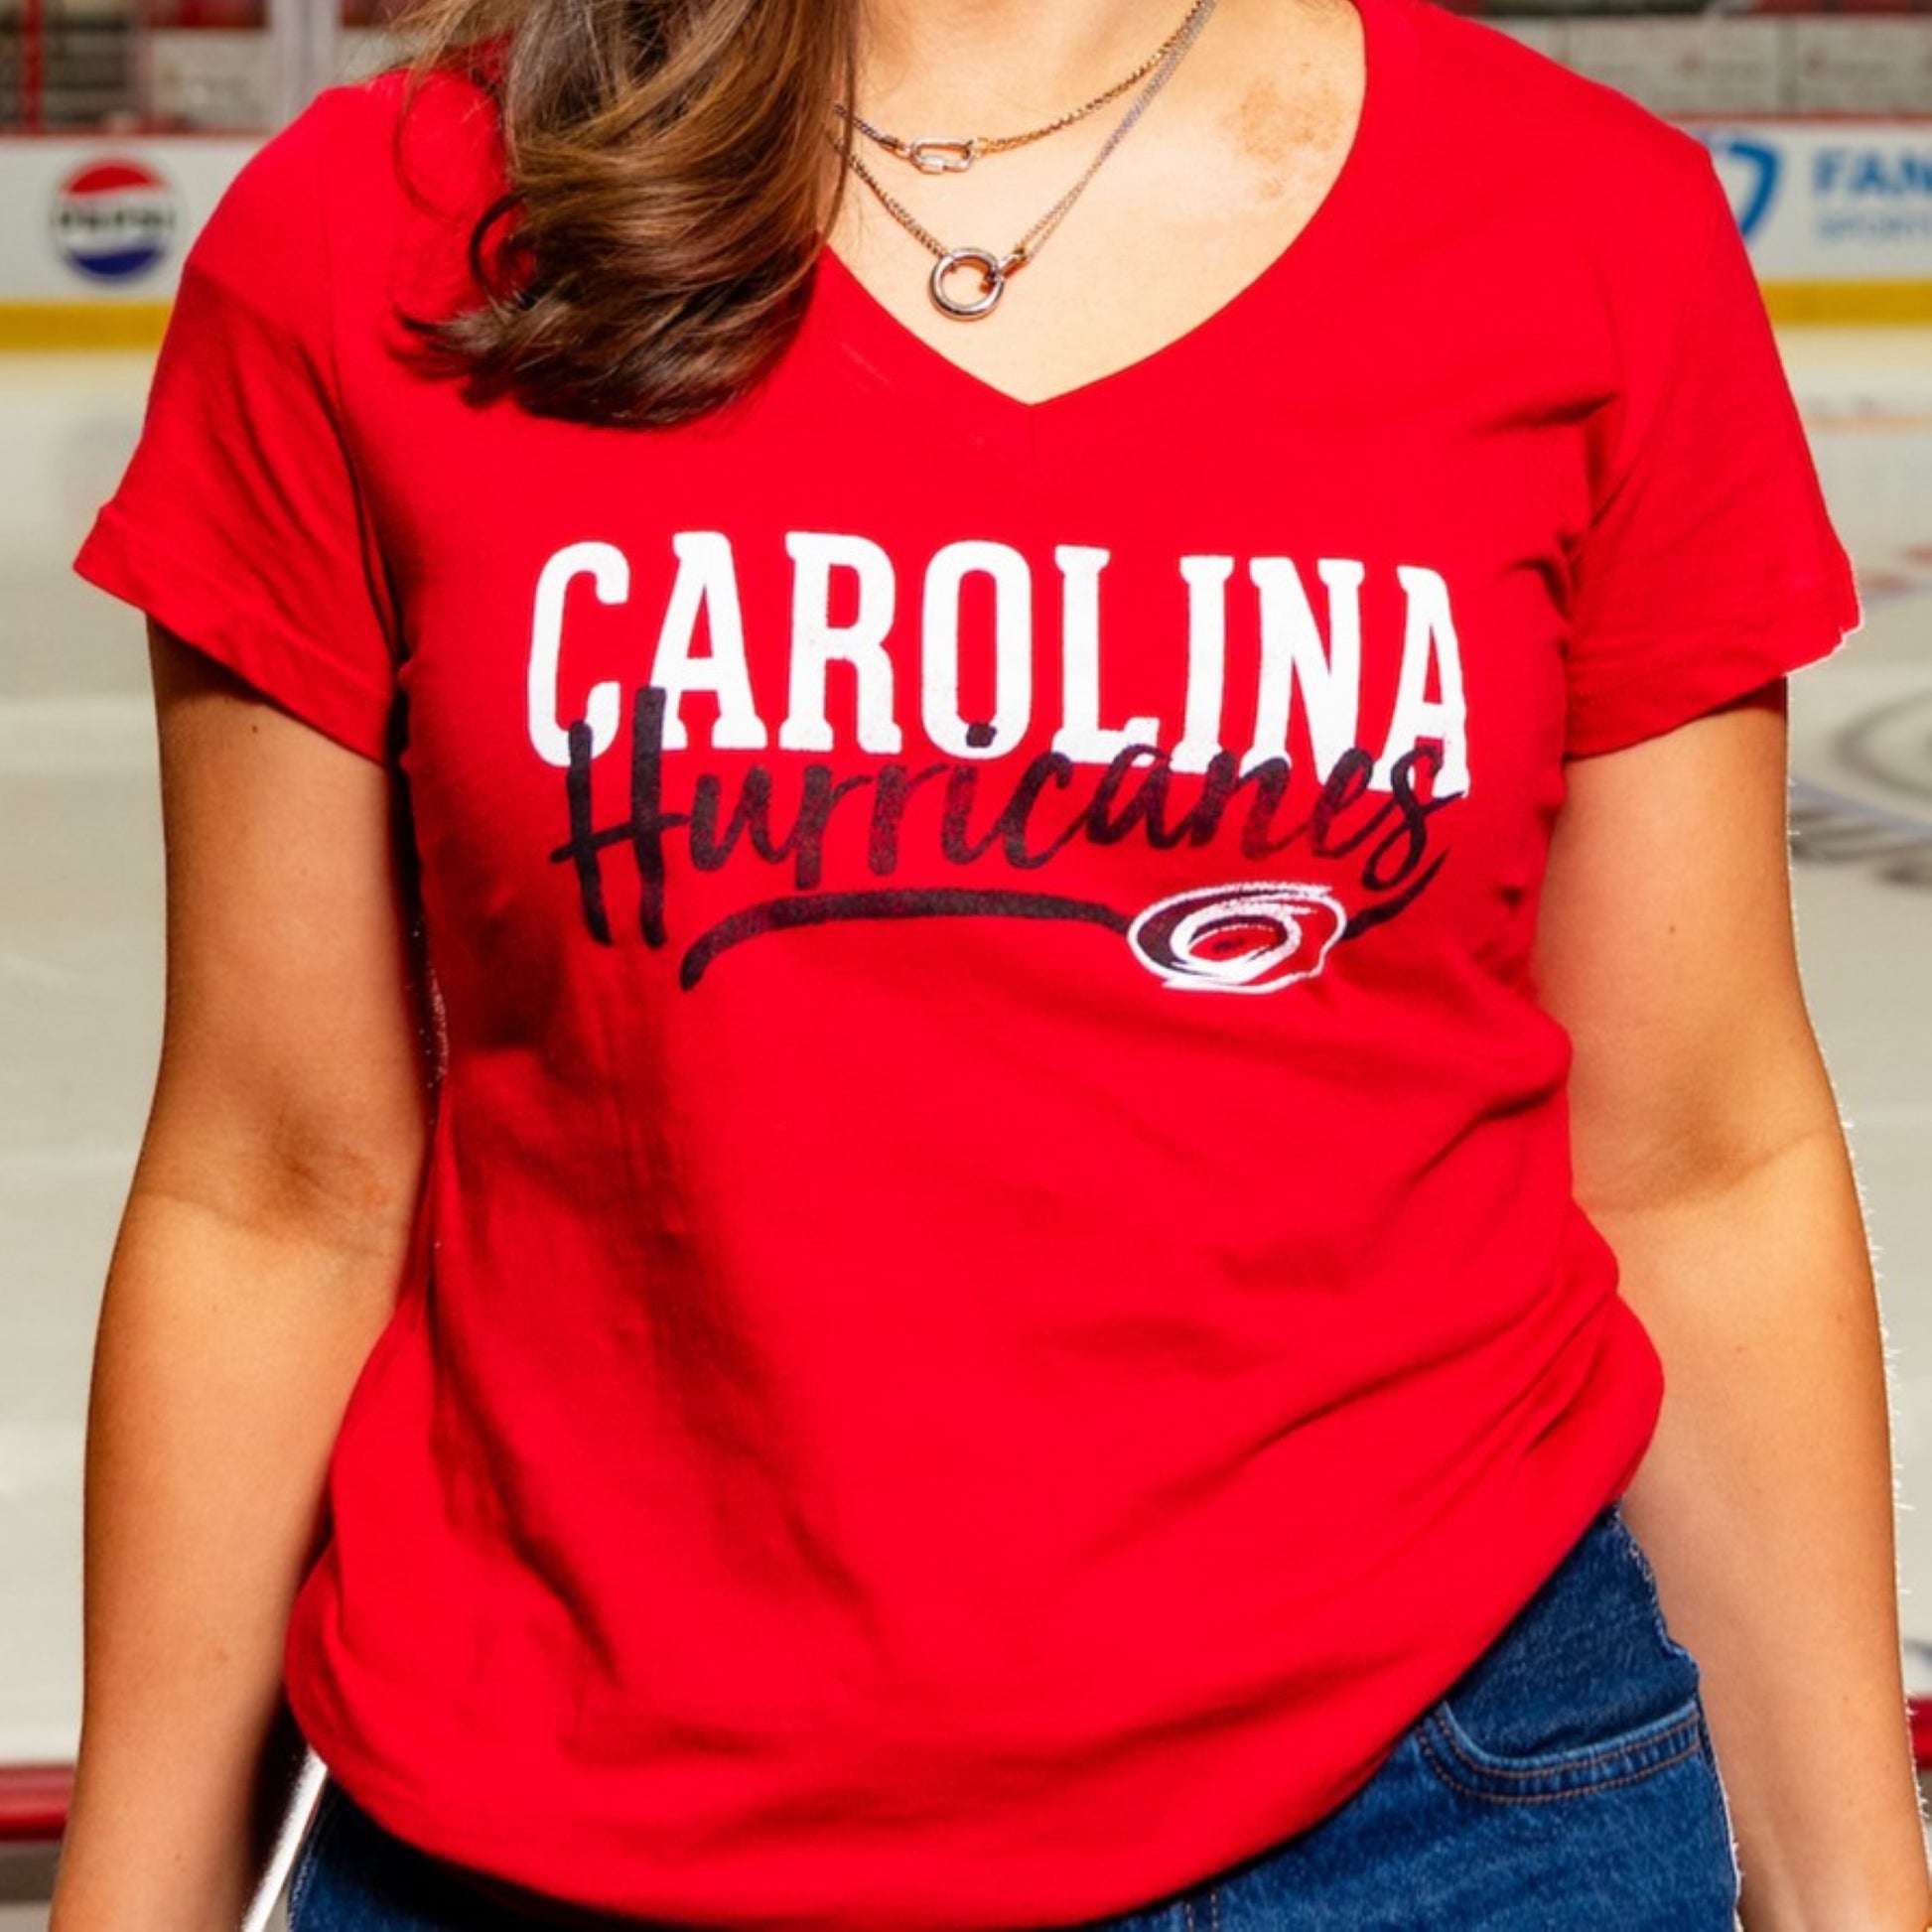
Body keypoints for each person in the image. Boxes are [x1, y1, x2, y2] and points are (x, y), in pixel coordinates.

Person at [48, 0, 1932, 1923]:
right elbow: (281, 1186)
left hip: (1437, 1827)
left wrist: (1859, 1898)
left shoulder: (1577, 227)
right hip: (557, 1844)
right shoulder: (369, 240)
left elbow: (1693, 1156)